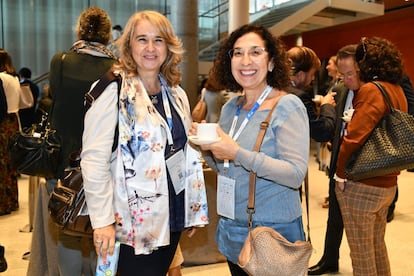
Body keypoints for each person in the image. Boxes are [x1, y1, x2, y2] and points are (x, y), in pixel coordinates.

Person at [80, 10, 207, 275]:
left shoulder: (176, 92)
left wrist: (189, 207)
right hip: (130, 225)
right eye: (142, 39)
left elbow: (180, 152)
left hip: (171, 216)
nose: (150, 48)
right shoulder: (112, 89)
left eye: (158, 40)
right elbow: (93, 160)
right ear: (128, 45)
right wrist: (102, 222)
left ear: (168, 47)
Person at [190, 24, 310, 275]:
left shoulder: (287, 106)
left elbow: (295, 173)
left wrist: (237, 153)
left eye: (255, 52)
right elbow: (225, 168)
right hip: (233, 228)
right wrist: (205, 148)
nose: (246, 61)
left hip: (272, 233)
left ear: (271, 62)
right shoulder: (230, 108)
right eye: (238, 53)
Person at [28, 7, 117, 276]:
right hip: (103, 162)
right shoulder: (115, 68)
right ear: (108, 34)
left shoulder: (61, 60)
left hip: (63, 162)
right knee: (100, 228)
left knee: (67, 228)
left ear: (79, 30)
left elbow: (55, 97)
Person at [335, 37, 407, 276]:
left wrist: (339, 174)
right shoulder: (395, 89)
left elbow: (354, 138)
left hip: (363, 185)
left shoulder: (371, 90)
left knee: (361, 255)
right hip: (387, 182)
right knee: (377, 248)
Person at [308, 44, 359, 275]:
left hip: (360, 167)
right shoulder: (340, 89)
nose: (346, 79)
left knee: (360, 225)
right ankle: (330, 259)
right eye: (343, 73)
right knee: (334, 217)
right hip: (339, 158)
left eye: (351, 73)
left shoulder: (370, 92)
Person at [286, 46, 336, 143]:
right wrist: (327, 105)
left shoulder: (274, 88)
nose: (312, 79)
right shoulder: (298, 97)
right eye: (311, 74)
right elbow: (322, 133)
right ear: (300, 75)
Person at [0, 48, 20, 216]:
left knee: (2, 165)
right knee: (10, 164)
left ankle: (4, 205)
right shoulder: (14, 78)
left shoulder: (1, 78)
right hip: (14, 120)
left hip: (3, 122)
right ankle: (12, 201)